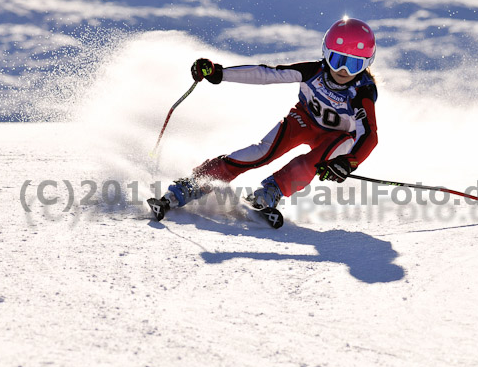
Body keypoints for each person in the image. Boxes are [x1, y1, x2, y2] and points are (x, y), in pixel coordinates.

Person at [153, 17, 379, 218]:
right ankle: (195, 183)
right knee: (262, 152)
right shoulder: (312, 72)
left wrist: (349, 162)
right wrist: (219, 73)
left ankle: (271, 191)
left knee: (310, 164)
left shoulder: (362, 92)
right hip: (304, 121)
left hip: (338, 137)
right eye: (337, 60)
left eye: (354, 65)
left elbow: (368, 135)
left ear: (367, 64)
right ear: (325, 53)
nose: (344, 71)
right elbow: (267, 74)